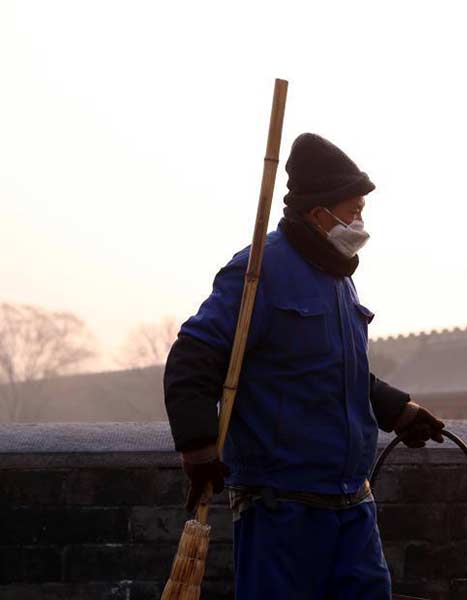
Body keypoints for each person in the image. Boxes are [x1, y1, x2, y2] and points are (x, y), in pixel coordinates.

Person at [163, 132, 446, 599]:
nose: (359, 221)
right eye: (353, 210)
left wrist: (399, 411)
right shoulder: (260, 270)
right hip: (281, 507)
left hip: (353, 502)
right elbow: (193, 356)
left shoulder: (339, 278)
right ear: (320, 214)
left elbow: (335, 372)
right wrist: (198, 446)